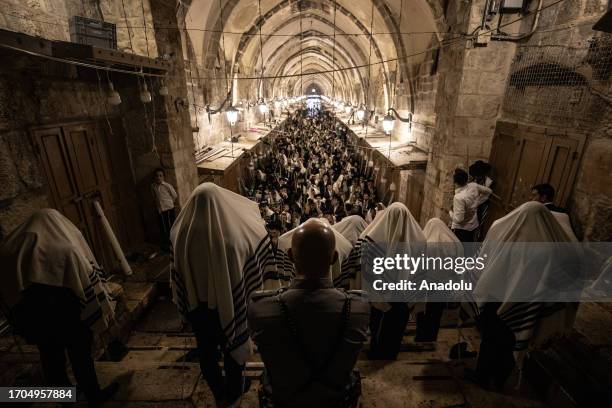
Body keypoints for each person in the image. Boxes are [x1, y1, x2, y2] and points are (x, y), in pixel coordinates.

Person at [170, 183, 277, 406]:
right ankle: (233, 392)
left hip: (197, 307)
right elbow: (255, 249)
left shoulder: (181, 234)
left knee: (206, 353)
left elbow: (177, 273)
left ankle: (219, 394)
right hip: (229, 306)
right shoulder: (233, 237)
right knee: (232, 349)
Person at [248, 219, 370, 408]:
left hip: (285, 400)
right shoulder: (358, 309)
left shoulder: (261, 309)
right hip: (336, 401)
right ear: (334, 257)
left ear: (290, 256)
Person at [0, 209, 118, 404]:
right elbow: (85, 281)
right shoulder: (66, 249)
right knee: (80, 357)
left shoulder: (12, 248)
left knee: (51, 360)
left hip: (36, 318)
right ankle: (94, 397)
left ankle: (65, 400)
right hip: (69, 315)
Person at [463, 202, 581, 389]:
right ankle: (499, 380)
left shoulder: (504, 232)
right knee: (510, 341)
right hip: (523, 303)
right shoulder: (550, 245)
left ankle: (483, 375)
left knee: (490, 339)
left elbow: (483, 261)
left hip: (495, 297)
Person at [341, 202, 427, 360]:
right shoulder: (419, 240)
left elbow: (361, 267)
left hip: (378, 295)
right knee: (396, 326)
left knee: (379, 325)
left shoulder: (372, 238)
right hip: (402, 296)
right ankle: (390, 353)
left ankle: (377, 352)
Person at [415, 218, 464, 342]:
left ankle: (420, 335)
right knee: (436, 312)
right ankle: (431, 336)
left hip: (426, 283)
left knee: (421, 310)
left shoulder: (427, 243)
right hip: (444, 284)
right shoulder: (454, 242)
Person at [450, 168, 491, 244]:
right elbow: (488, 191)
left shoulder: (459, 197)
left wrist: (451, 213)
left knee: (460, 250)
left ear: (456, 182)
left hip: (461, 230)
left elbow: (459, 219)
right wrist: (478, 202)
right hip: (473, 225)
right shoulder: (473, 185)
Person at [151, 168, 178, 250]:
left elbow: (174, 195)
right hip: (160, 209)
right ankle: (166, 244)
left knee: (171, 225)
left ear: (163, 177)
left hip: (169, 208)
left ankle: (174, 242)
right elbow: (154, 196)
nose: (158, 178)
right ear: (154, 177)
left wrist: (170, 203)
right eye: (156, 176)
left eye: (160, 176)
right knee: (163, 227)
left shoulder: (167, 186)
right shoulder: (153, 186)